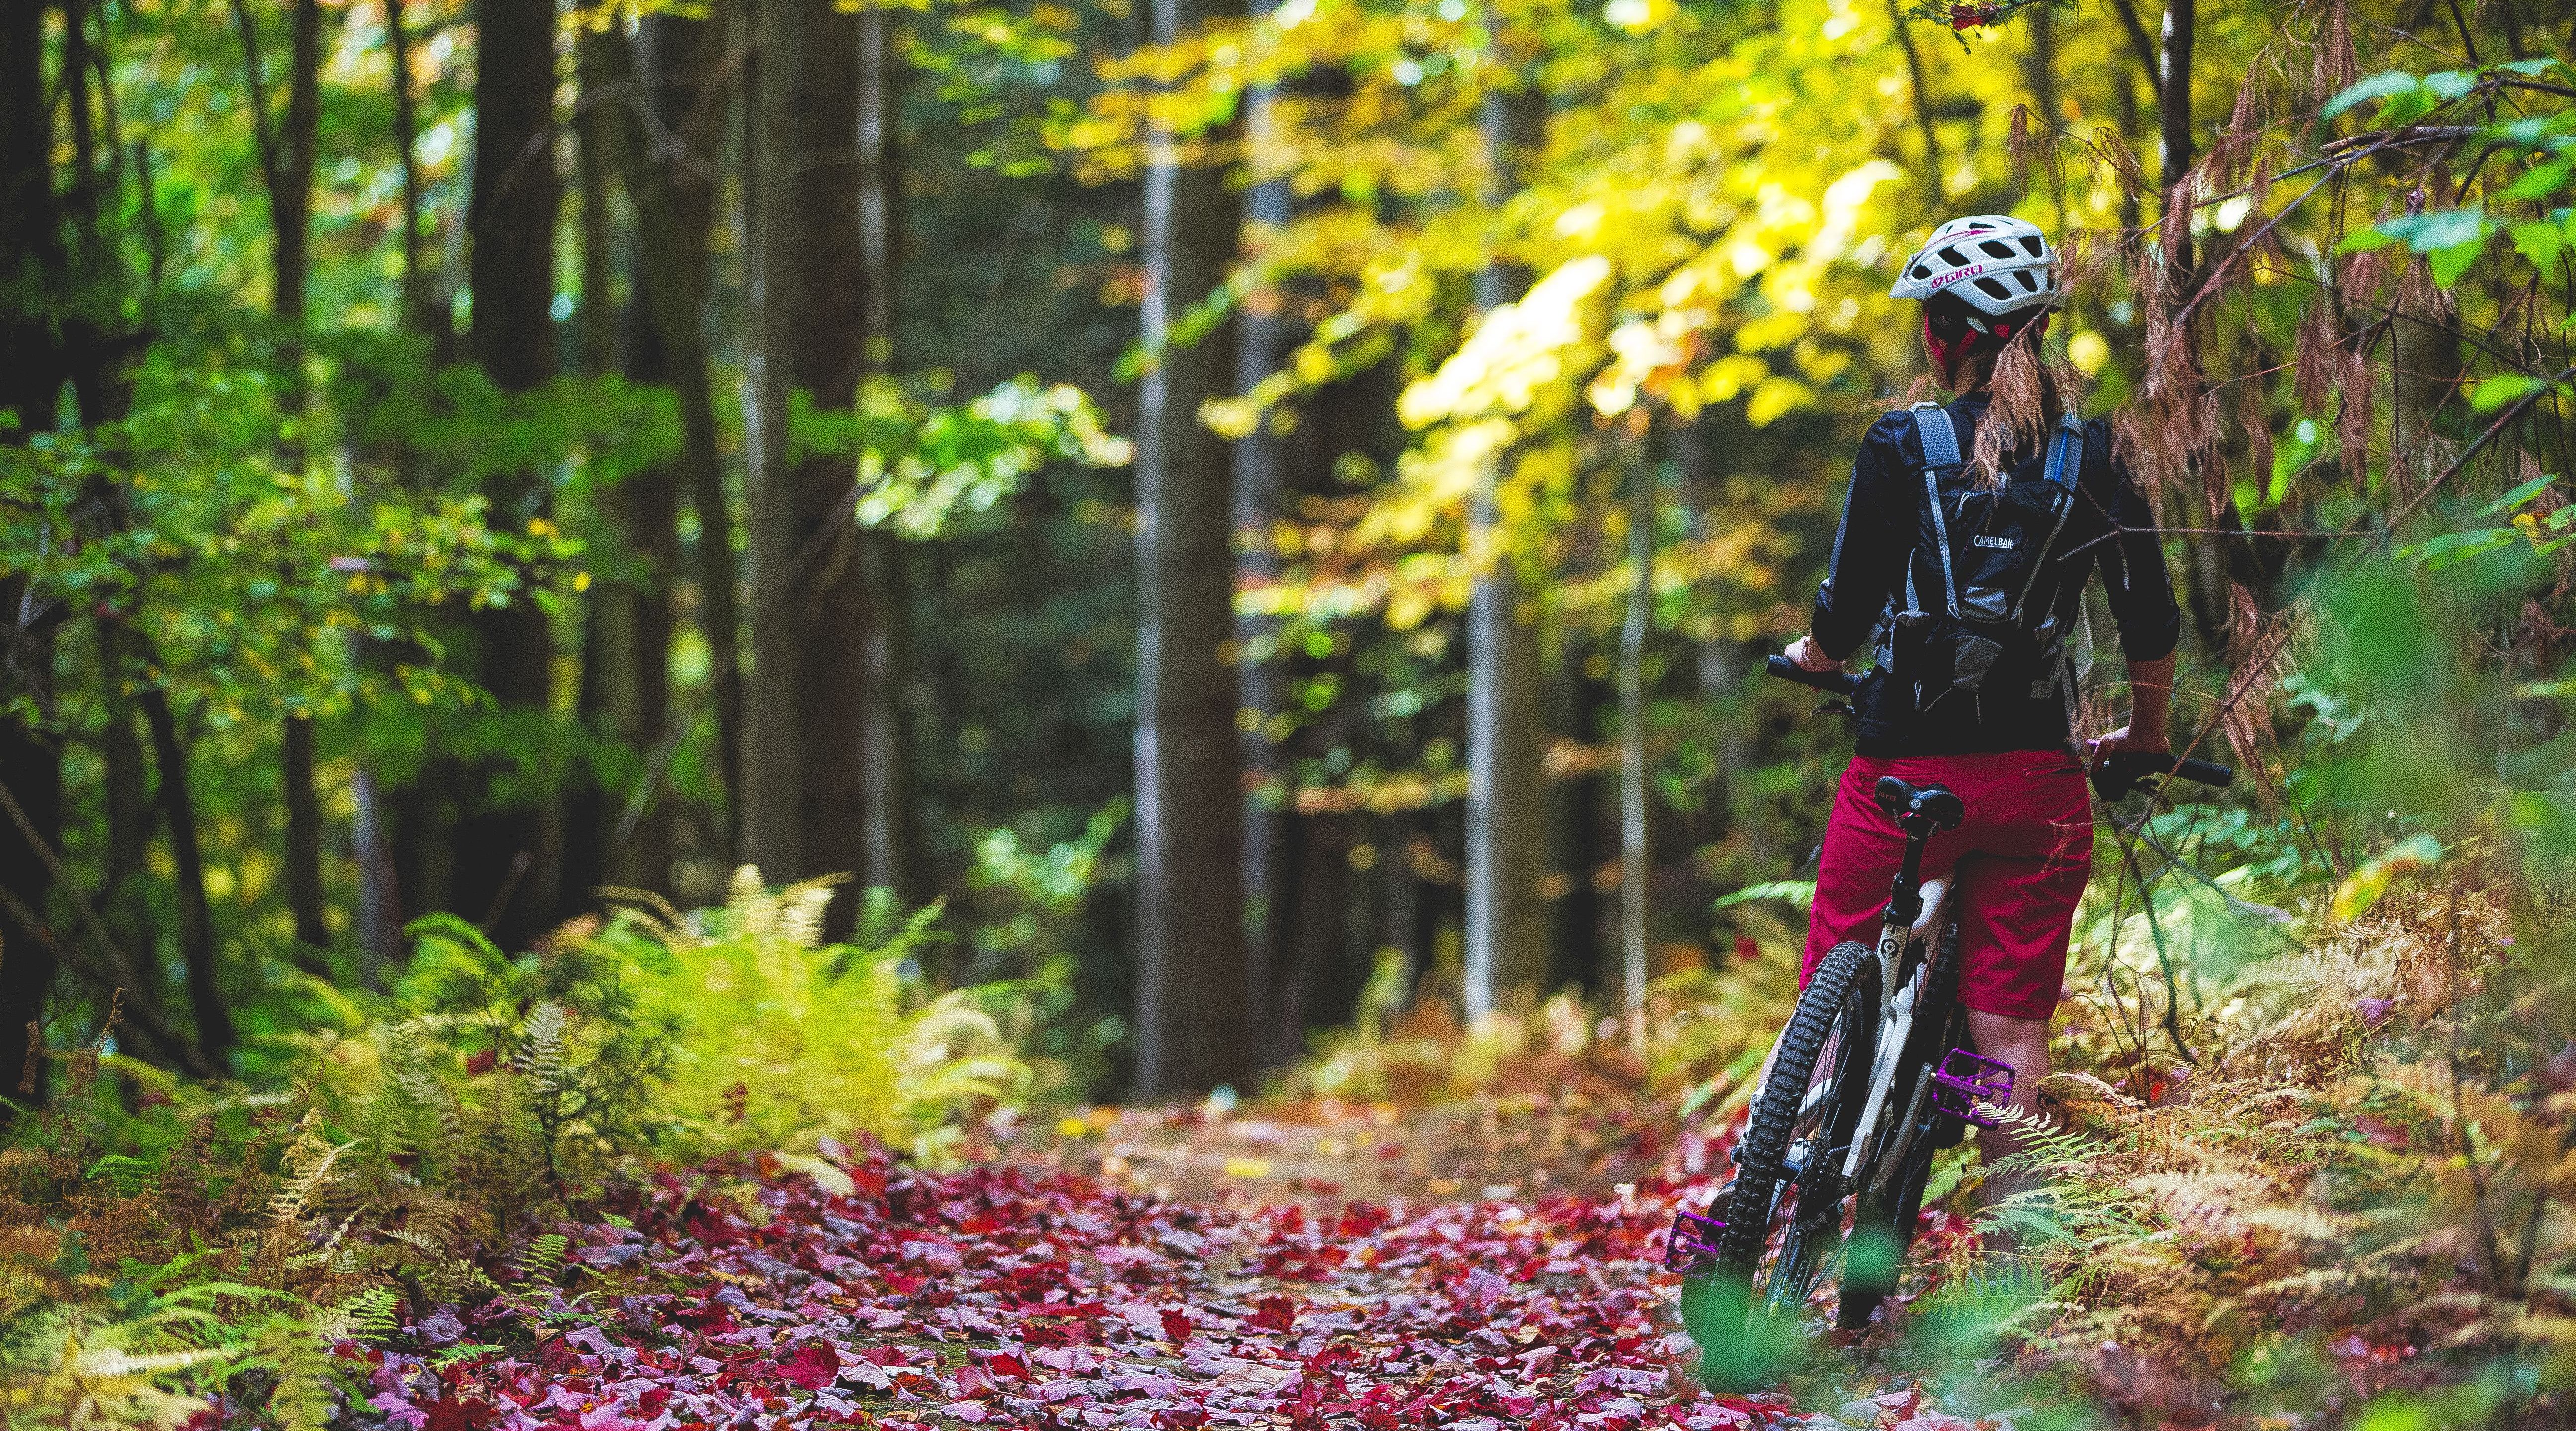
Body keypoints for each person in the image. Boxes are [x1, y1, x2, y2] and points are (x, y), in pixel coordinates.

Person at [1779, 213, 2182, 1196]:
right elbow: (2151, 617)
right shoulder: (2095, 458)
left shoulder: (1900, 444)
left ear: (1944, 333)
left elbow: (1850, 603)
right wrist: (2147, 733)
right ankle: (2017, 1284)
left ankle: (1786, 1174)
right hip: (2036, 783)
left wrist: (1817, 656)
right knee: (2009, 1030)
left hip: (1901, 770)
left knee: (1843, 961)